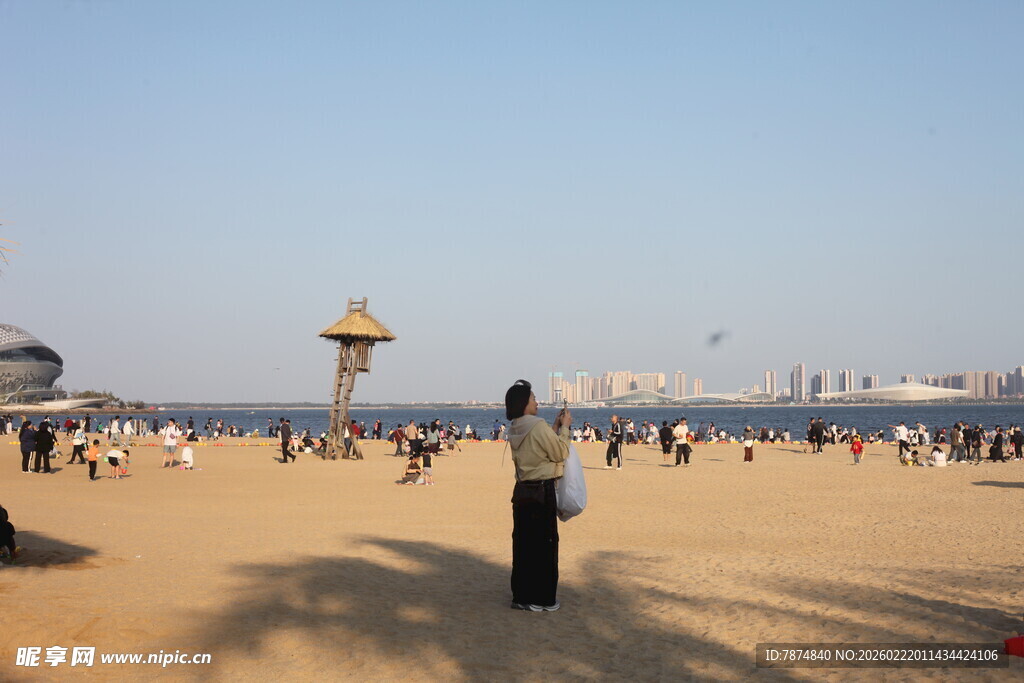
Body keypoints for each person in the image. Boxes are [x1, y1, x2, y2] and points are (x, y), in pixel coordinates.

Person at [505, 379, 569, 612]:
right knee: (545, 544)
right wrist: (565, 428)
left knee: (523, 544)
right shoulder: (537, 425)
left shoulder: (515, 426)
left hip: (522, 490)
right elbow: (560, 452)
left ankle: (522, 596)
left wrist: (554, 426)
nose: (536, 402)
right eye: (533, 398)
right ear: (524, 402)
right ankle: (543, 599)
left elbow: (538, 446)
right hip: (542, 490)